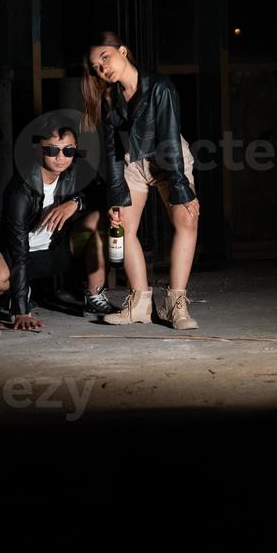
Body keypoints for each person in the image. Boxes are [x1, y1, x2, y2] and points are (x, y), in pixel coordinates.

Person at [82, 31, 200, 330]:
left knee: (186, 220)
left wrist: (181, 187)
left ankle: (176, 305)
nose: (102, 68)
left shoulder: (160, 86)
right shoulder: (109, 97)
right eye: (96, 67)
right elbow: (110, 149)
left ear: (123, 50)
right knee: (124, 225)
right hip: (131, 164)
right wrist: (115, 194)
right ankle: (140, 304)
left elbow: (170, 139)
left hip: (168, 158)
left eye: (105, 58)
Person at [0, 125, 116, 331]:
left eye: (68, 150)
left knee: (101, 218)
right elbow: (17, 252)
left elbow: (106, 195)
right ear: (38, 150)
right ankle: (21, 294)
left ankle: (95, 295)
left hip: (58, 249)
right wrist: (21, 310)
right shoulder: (20, 189)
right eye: (52, 150)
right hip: (20, 254)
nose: (61, 157)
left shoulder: (77, 169)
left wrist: (76, 202)